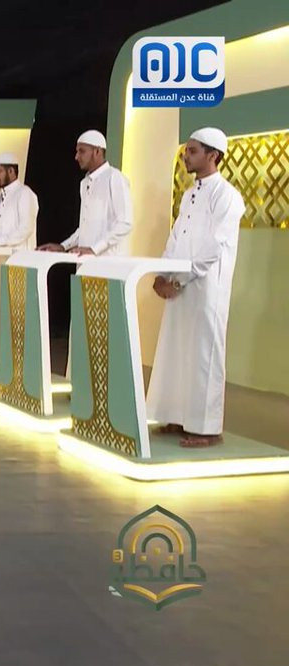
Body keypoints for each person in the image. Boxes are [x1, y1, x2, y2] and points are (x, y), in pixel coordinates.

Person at [147, 127, 245, 448]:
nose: (185, 156)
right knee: (177, 350)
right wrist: (162, 275)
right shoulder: (190, 194)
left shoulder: (227, 196)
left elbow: (214, 247)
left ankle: (206, 429)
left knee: (204, 355)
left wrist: (179, 280)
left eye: (192, 151)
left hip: (206, 288)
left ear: (212, 155)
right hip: (178, 284)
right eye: (186, 150)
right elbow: (175, 239)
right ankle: (177, 417)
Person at [0, 152, 39, 366]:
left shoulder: (25, 194)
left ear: (11, 171)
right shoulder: (0, 198)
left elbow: (25, 228)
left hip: (17, 259)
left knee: (15, 311)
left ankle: (16, 363)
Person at [37, 130, 133, 256]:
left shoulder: (115, 177)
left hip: (109, 262)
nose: (76, 157)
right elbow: (85, 228)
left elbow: (125, 223)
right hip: (85, 260)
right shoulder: (84, 183)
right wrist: (63, 246)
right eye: (77, 151)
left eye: (81, 151)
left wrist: (94, 249)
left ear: (97, 151)